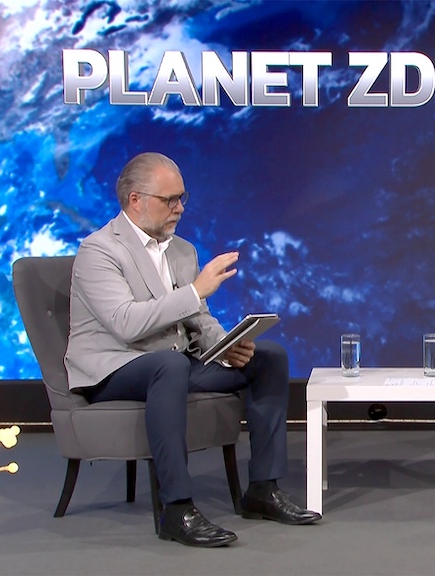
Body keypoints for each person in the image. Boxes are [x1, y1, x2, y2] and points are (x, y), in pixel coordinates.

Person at [65, 152, 320, 548]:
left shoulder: (181, 250)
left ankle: (263, 489)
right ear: (135, 200)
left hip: (174, 364)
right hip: (113, 368)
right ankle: (177, 509)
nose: (180, 208)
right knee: (169, 365)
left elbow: (198, 318)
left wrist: (226, 346)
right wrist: (195, 289)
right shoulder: (98, 251)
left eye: (182, 198)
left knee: (267, 357)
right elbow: (125, 323)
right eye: (170, 200)